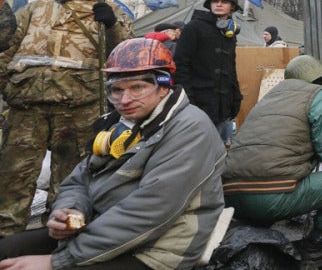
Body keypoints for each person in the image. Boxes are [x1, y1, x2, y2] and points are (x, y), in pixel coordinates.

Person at [0, 38, 226, 269]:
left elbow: (149, 212)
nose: (125, 100)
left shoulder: (190, 128)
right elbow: (80, 179)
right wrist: (69, 212)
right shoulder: (120, 123)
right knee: (6, 251)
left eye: (137, 87)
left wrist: (58, 261)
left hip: (157, 249)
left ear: (164, 86)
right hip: (99, 231)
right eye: (116, 90)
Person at [0, 0, 132, 237]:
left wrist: (111, 25)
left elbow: (124, 55)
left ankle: (56, 241)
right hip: (27, 106)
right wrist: (6, 89)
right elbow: (5, 50)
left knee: (70, 180)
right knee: (13, 179)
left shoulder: (105, 11)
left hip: (79, 108)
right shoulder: (34, 9)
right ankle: (6, 241)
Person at [223, 54, 322, 261]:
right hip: (270, 198)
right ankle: (314, 245)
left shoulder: (269, 98)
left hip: (232, 197)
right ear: (320, 79)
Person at [172, 0, 242, 144]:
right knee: (197, 149)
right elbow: (181, 65)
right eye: (215, 1)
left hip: (223, 106)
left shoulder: (229, 33)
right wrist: (188, 98)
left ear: (232, 7)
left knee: (220, 150)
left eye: (224, 1)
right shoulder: (193, 27)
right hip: (199, 101)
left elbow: (231, 68)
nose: (218, 4)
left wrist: (236, 98)